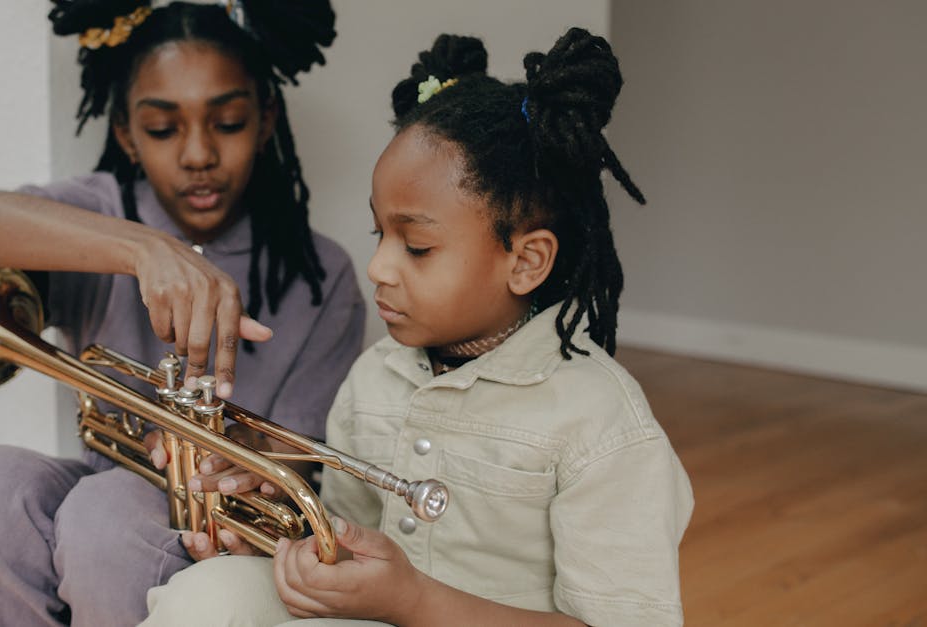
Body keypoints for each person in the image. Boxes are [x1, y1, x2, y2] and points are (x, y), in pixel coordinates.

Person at [141, 28, 695, 627]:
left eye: (419, 246)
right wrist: (278, 535)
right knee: (208, 592)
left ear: (526, 261)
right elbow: (344, 534)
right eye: (381, 235)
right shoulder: (376, 375)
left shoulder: (601, 423)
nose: (378, 267)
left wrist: (415, 602)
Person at [0, 1, 364, 625]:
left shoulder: (323, 274)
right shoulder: (103, 208)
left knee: (109, 510)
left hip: (215, 530)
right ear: (126, 134)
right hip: (103, 486)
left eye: (228, 122)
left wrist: (234, 457)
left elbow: (300, 468)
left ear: (265, 122)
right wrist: (143, 248)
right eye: (162, 129)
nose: (198, 154)